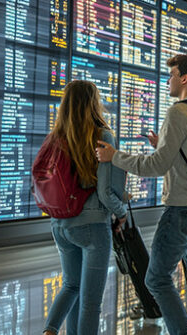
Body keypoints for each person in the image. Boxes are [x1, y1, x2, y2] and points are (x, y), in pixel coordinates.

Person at [96, 54, 187, 335]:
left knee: (157, 280)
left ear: (184, 79)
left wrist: (115, 156)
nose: (168, 80)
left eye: (172, 74)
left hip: (182, 210)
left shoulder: (178, 112)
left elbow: (156, 166)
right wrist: (162, 143)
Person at [42, 80, 128, 335]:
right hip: (92, 226)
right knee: (91, 303)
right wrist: (122, 211)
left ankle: (49, 330)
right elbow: (105, 192)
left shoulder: (56, 136)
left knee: (71, 285)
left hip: (60, 224)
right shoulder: (102, 135)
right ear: (94, 102)